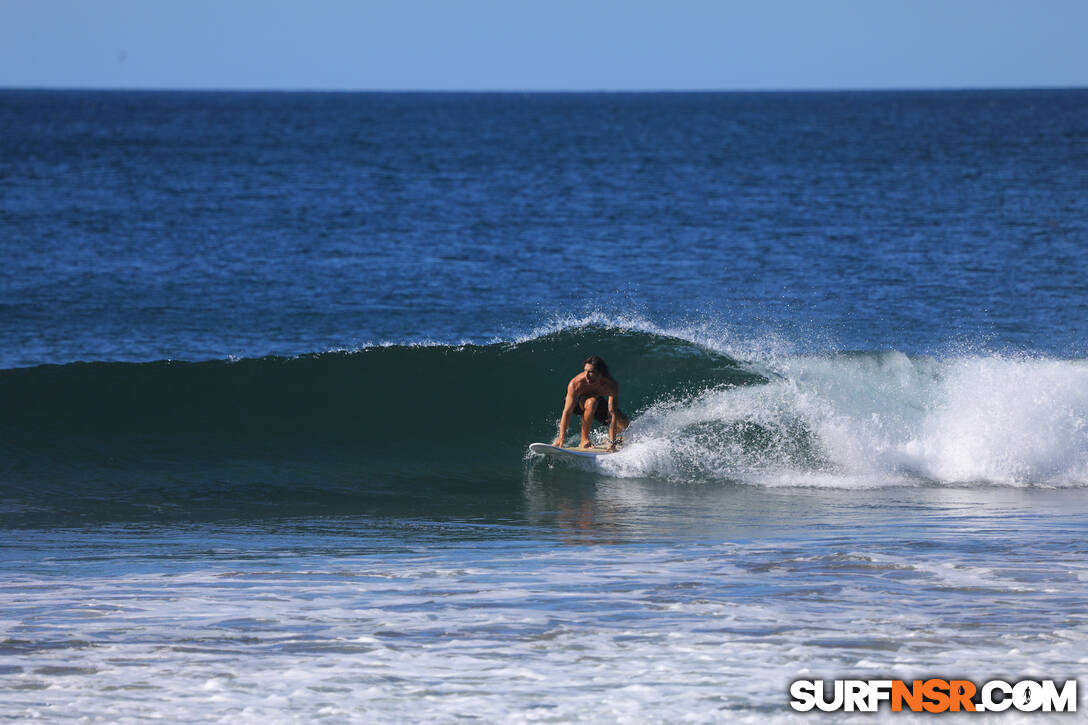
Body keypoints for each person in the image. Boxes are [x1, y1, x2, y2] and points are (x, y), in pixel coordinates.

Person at [553, 355, 630, 451]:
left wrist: (612, 441)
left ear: (600, 373)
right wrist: (561, 437)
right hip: (578, 401)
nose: (586, 375)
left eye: (591, 372)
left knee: (624, 422)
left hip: (597, 400)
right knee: (592, 402)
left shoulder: (611, 385)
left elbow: (612, 413)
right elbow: (567, 411)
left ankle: (608, 440)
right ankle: (584, 440)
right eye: (585, 371)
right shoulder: (576, 384)